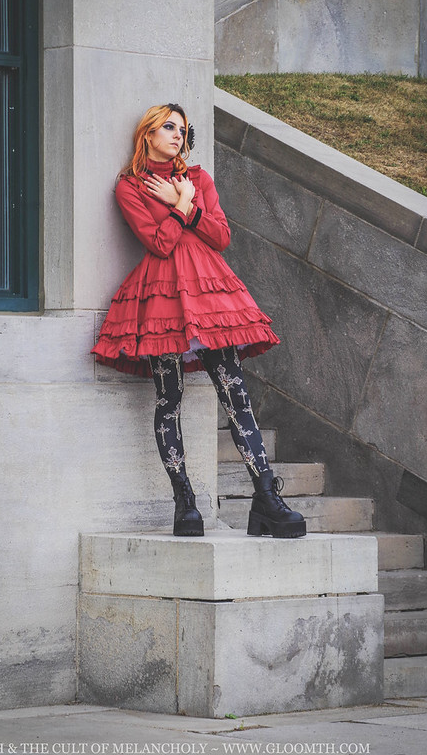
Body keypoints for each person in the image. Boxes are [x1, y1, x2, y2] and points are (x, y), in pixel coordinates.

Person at [91, 103, 306, 540]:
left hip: (209, 297)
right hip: (163, 301)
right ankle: (185, 503)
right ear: (148, 134)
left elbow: (221, 236)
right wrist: (179, 207)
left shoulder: (198, 179)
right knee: (169, 398)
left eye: (183, 130)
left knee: (236, 394)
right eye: (168, 127)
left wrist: (186, 203)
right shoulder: (130, 186)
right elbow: (159, 243)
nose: (178, 135)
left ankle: (267, 498)